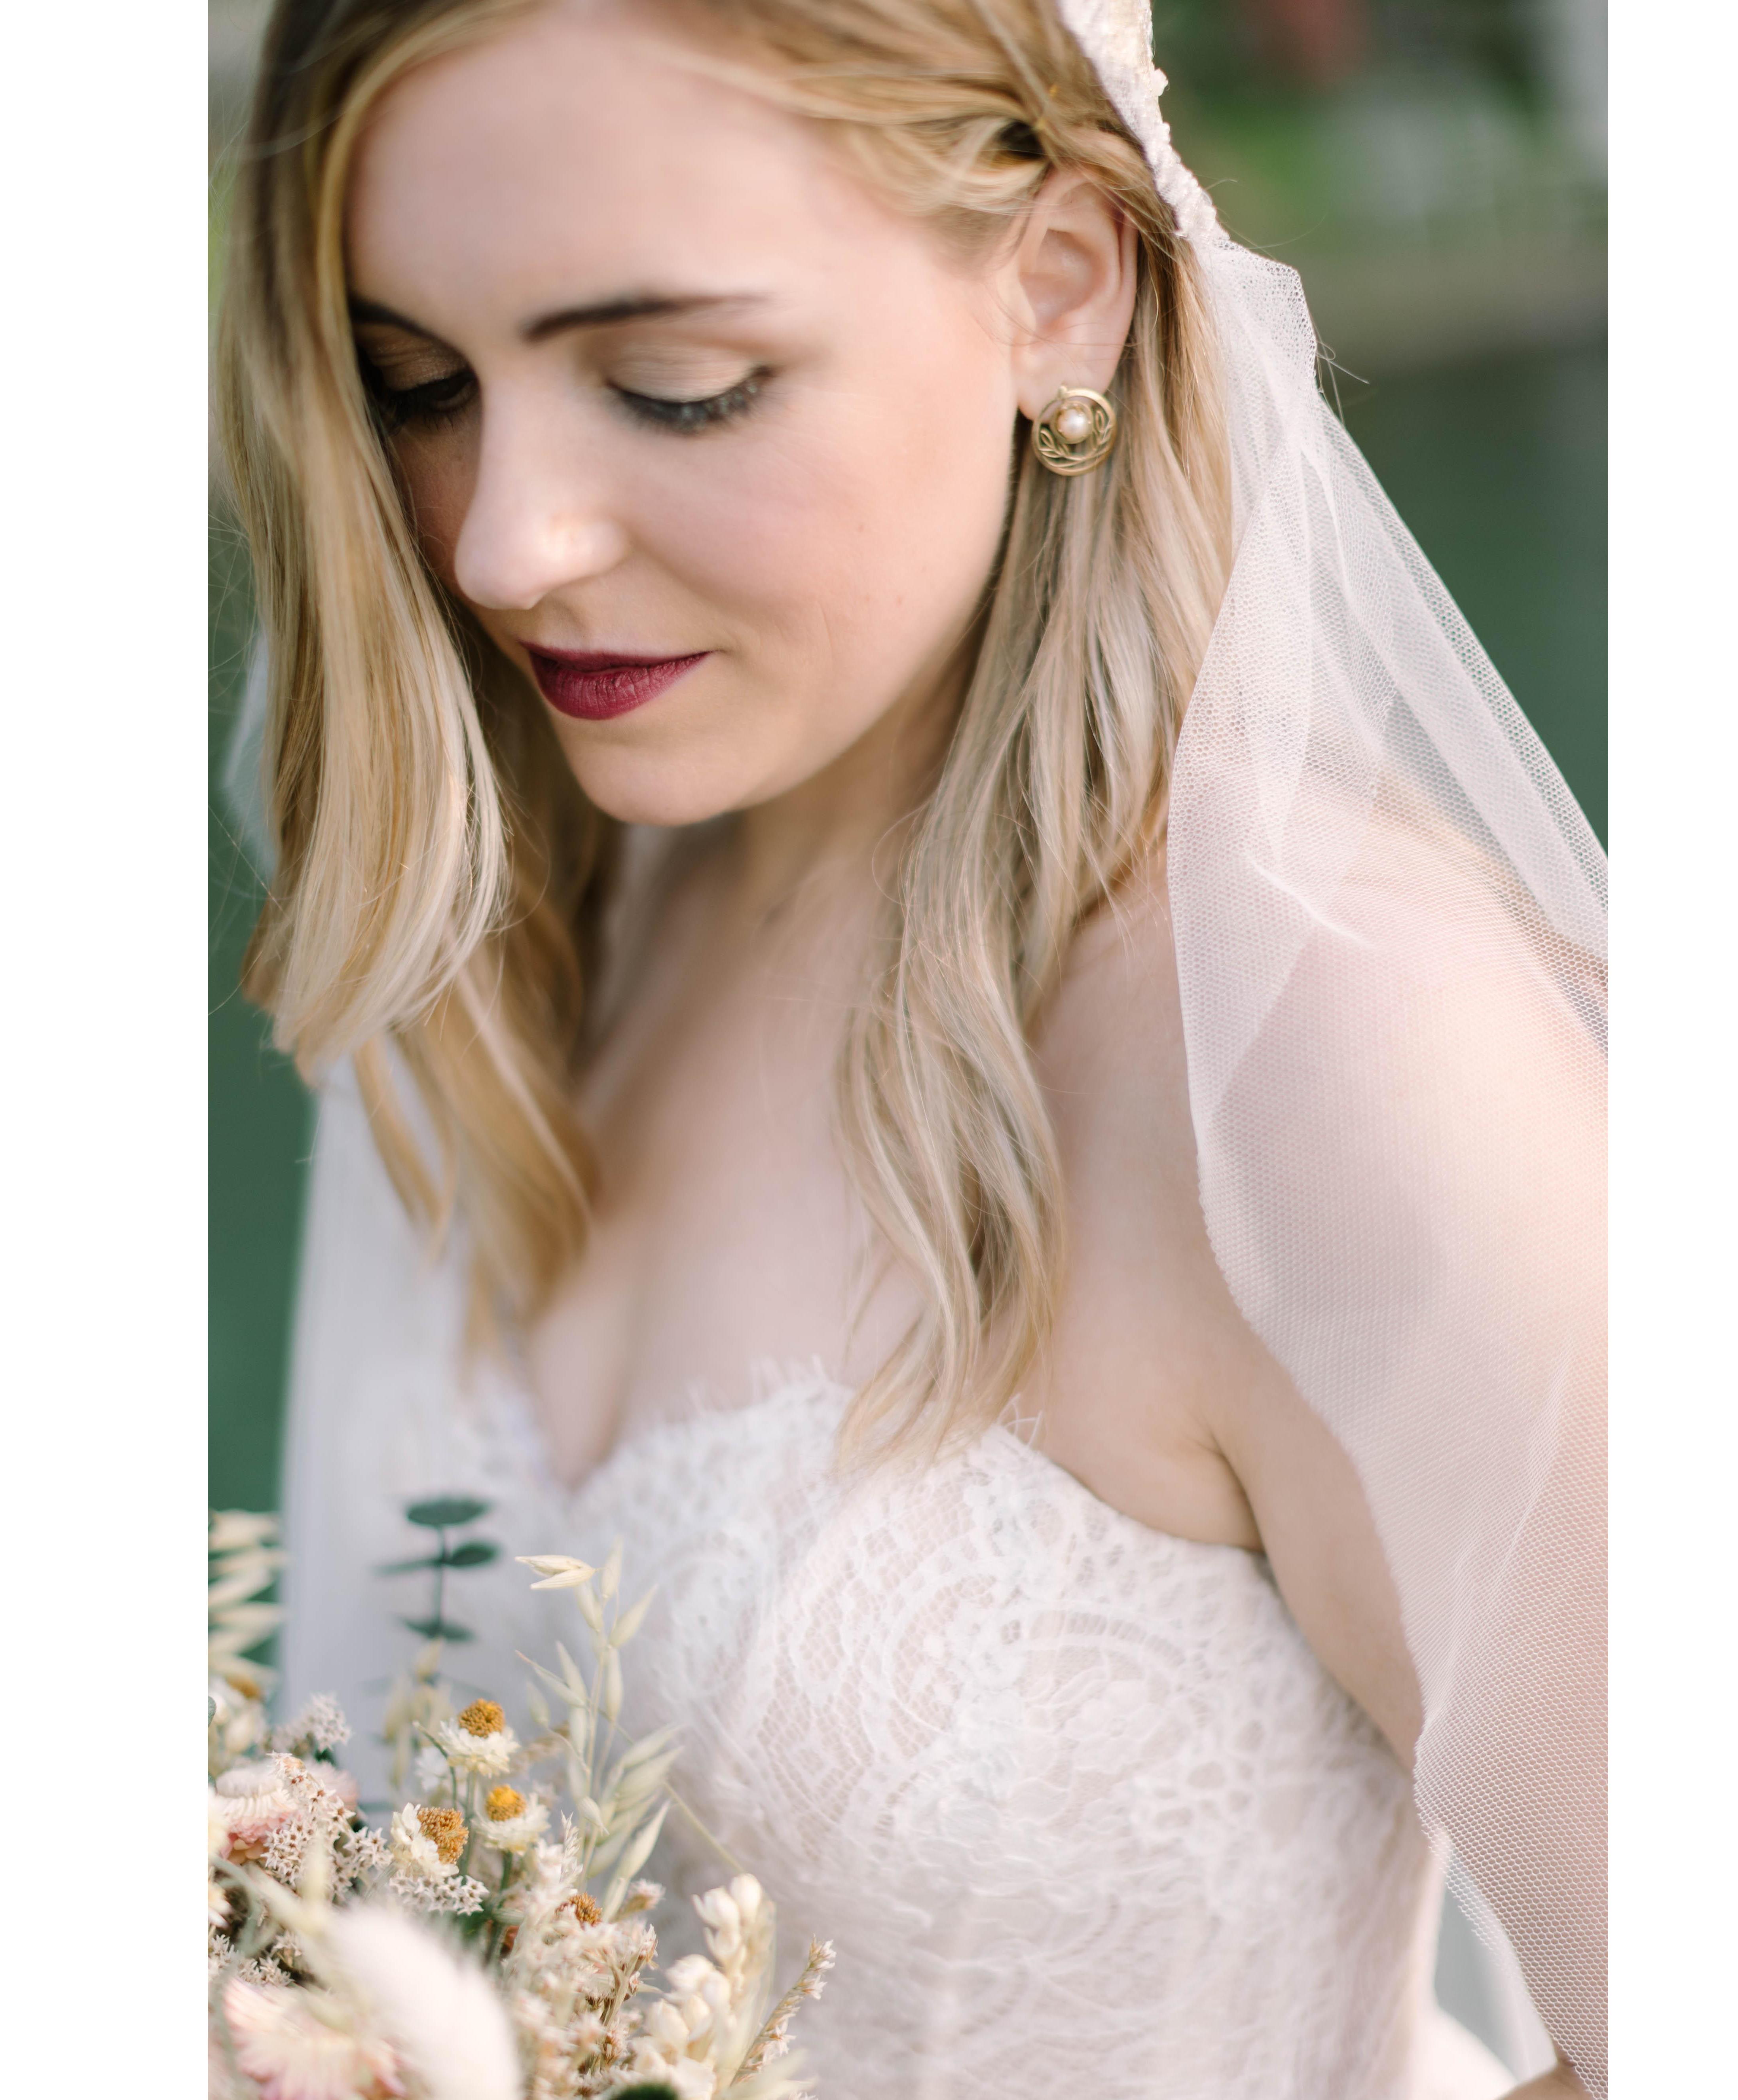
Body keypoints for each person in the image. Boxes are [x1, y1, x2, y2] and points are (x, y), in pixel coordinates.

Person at [216, 0, 1606, 2092]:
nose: (504, 542)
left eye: (675, 386)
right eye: (419, 385)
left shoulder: (1326, 1046)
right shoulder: (493, 947)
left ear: (1056, 291)